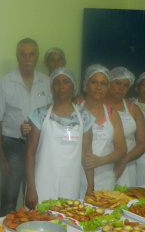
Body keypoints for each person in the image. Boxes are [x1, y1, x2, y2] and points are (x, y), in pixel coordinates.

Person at [0, 38, 51, 216]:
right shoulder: (5, 83)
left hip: (39, 148)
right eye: (23, 54)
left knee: (34, 201)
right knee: (8, 201)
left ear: (37, 56)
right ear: (17, 56)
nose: (27, 59)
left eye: (31, 54)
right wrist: (0, 156)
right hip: (13, 148)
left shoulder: (47, 83)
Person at [25, 68, 94, 208]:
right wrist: (31, 189)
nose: (61, 86)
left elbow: (87, 155)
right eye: (56, 83)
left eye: (66, 82)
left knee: (67, 223)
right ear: (52, 88)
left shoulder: (84, 117)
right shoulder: (40, 115)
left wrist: (90, 186)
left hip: (71, 182)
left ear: (73, 86)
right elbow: (29, 154)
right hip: (42, 182)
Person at [80, 65, 127, 191]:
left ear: (108, 87)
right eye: (94, 82)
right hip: (77, 177)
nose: (98, 87)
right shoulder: (74, 110)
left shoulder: (112, 114)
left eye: (103, 83)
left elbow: (121, 149)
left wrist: (100, 161)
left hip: (105, 178)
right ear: (85, 84)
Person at [105, 67, 145, 187]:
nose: (121, 88)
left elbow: (143, 143)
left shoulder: (133, 109)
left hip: (126, 167)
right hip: (100, 166)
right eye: (117, 83)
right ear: (108, 83)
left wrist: (123, 160)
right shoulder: (96, 106)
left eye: (126, 85)